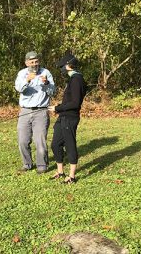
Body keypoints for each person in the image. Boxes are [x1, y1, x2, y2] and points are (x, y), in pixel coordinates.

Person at [48, 51, 87, 184]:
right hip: (63, 116)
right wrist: (58, 107)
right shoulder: (72, 79)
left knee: (70, 145)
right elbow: (69, 101)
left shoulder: (77, 79)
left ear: (69, 65)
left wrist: (57, 108)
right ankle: (60, 171)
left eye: (62, 66)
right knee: (55, 144)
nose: (61, 69)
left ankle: (72, 176)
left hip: (70, 118)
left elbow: (75, 103)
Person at [15, 51, 55, 174]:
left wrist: (46, 84)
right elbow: (18, 88)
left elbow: (52, 91)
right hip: (25, 111)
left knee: (40, 140)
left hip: (41, 111)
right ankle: (27, 164)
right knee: (23, 140)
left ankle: (42, 165)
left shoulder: (46, 73)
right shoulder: (22, 74)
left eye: (36, 61)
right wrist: (27, 80)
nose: (34, 64)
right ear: (26, 63)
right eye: (31, 62)